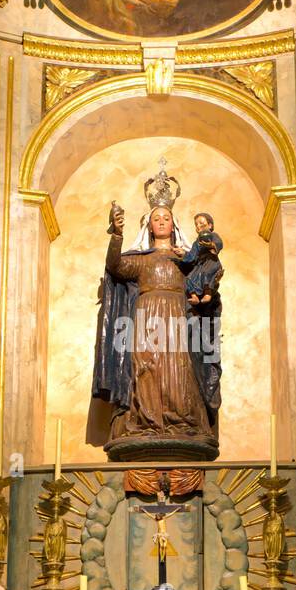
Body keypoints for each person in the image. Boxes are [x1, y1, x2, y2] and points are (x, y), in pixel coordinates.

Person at [89, 193, 221, 453]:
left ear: (174, 225)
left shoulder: (186, 260)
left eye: (166, 218)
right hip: (146, 317)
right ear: (149, 225)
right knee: (146, 367)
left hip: (178, 318)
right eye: (156, 218)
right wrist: (116, 235)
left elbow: (210, 272)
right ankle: (143, 422)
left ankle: (183, 422)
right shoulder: (142, 259)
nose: (161, 222)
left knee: (180, 369)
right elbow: (114, 265)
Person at [174, 212, 224, 306]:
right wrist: (183, 253)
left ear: (210, 225)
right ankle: (194, 297)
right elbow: (192, 256)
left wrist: (211, 245)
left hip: (211, 262)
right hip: (200, 264)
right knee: (189, 278)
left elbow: (219, 244)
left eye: (201, 223)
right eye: (196, 224)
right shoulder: (196, 242)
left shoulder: (213, 236)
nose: (198, 226)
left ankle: (208, 293)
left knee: (205, 273)